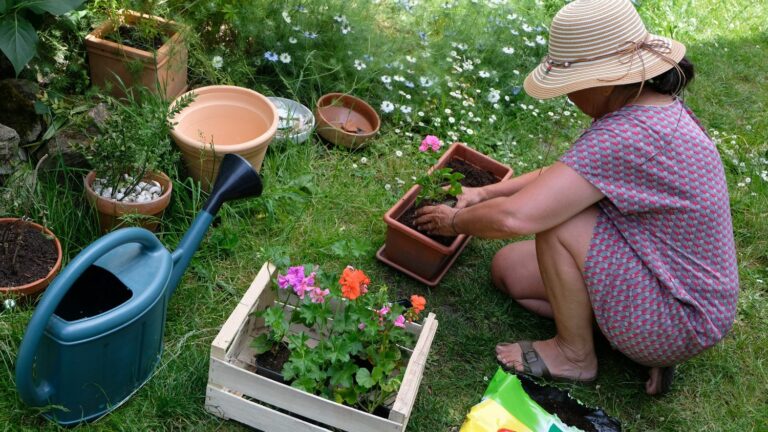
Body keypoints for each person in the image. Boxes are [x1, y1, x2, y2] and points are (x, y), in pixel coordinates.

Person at [414, 0, 738, 395]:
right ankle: (633, 344)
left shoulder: (629, 134)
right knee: (509, 271)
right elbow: (565, 178)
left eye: (570, 87)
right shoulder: (649, 109)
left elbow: (516, 219)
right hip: (673, 287)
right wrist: (482, 192)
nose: (567, 98)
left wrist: (453, 222)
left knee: (557, 221)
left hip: (679, 311)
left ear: (601, 80)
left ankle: (575, 356)